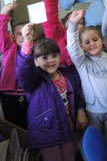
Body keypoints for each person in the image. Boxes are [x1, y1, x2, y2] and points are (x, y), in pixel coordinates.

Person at [16, 24, 86, 161]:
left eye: (54, 55)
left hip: (68, 129)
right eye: (44, 58)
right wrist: (27, 42)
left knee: (70, 156)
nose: (51, 60)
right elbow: (23, 71)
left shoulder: (68, 75)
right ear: (35, 62)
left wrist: (81, 110)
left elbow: (77, 95)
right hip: (48, 133)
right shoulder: (35, 81)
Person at [66, 10, 107, 160]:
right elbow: (72, 48)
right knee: (93, 144)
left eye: (95, 40)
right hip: (93, 111)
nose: (92, 44)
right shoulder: (82, 62)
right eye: (87, 42)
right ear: (81, 46)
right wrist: (73, 25)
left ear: (102, 40)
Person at [0, 1, 29, 129]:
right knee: (12, 124)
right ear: (12, 36)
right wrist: (4, 12)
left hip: (27, 93)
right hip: (7, 93)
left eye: (26, 32)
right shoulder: (8, 48)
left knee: (28, 122)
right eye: (19, 33)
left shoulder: (35, 49)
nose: (23, 36)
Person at [43, 0, 85, 67]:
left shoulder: (84, 41)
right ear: (64, 23)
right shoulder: (57, 36)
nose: (75, 22)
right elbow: (51, 21)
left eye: (79, 22)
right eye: (72, 20)